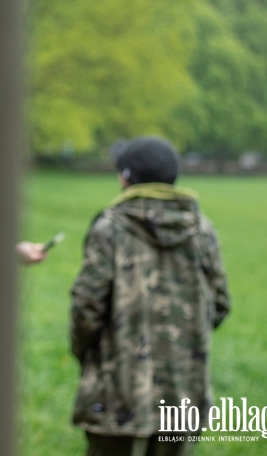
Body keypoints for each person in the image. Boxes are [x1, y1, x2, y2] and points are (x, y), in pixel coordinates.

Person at [70, 136, 231, 456]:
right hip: (183, 389)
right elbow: (220, 304)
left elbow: (86, 309)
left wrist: (86, 354)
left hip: (117, 389)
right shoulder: (202, 229)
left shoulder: (109, 229)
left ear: (125, 178)